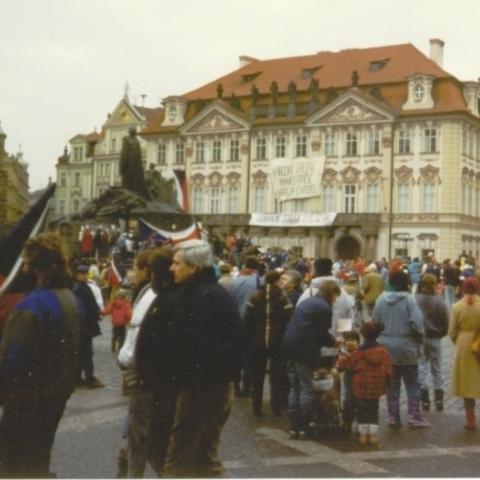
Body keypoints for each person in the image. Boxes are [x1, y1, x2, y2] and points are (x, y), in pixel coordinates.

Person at [0, 233, 83, 478]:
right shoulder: (72, 299)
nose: (23, 266)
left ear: (36, 267)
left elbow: (15, 359)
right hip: (57, 394)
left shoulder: (32, 304)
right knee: (39, 458)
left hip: (26, 397)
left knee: (17, 463)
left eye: (26, 262)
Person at [162, 239, 242, 478]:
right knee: (202, 458)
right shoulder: (206, 292)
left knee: (180, 460)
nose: (171, 268)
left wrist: (184, 384)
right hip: (209, 388)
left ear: (194, 267)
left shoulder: (203, 297)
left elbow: (203, 351)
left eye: (177, 263)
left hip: (201, 390)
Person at [282, 280, 341, 440]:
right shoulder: (324, 308)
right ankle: (304, 427)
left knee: (295, 388)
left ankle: (293, 426)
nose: (335, 300)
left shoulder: (308, 301)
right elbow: (321, 334)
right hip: (304, 349)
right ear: (332, 293)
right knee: (307, 388)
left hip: (289, 344)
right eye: (336, 296)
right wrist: (333, 342)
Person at [118, 249, 158, 477]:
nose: (131, 274)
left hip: (141, 374)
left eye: (134, 269)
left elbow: (135, 335)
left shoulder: (148, 293)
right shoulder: (144, 291)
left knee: (140, 432)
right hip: (143, 372)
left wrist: (123, 361)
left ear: (145, 270)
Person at [372, 270, 429, 427]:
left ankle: (393, 416)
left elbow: (374, 322)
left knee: (392, 384)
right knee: (412, 383)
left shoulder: (381, 299)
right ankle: (414, 415)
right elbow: (417, 324)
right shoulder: (410, 300)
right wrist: (419, 341)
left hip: (386, 347)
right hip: (407, 347)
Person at [243, 270, 293, 416]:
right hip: (277, 341)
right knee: (276, 375)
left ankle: (256, 407)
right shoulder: (283, 298)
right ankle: (275, 407)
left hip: (257, 342)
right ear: (277, 281)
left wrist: (248, 338)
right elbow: (289, 319)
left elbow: (247, 319)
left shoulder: (255, 296)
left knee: (257, 375)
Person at [337, 322, 392, 445]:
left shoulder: (359, 353)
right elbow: (388, 370)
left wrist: (340, 363)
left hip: (361, 386)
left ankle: (363, 435)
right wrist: (387, 383)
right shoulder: (383, 351)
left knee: (362, 410)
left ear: (363, 335)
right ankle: (372, 435)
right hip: (376, 387)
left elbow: (346, 364)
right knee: (374, 409)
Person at [448, 277, 480, 430]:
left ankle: (470, 419)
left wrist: (459, 341)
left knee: (467, 382)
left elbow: (452, 331)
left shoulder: (456, 306)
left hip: (464, 344)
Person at [229, 255, 263, 397]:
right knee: (251, 355)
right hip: (253, 322)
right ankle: (247, 386)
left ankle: (236, 385)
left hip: (237, 321)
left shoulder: (235, 281)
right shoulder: (260, 281)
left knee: (237, 353)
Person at [415, 274, 449, 412]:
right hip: (435, 338)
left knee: (422, 368)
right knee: (437, 369)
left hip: (421, 338)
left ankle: (425, 400)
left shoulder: (416, 301)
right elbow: (446, 324)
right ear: (435, 286)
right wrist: (440, 334)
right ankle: (439, 398)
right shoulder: (440, 303)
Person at [297, 257, 354, 335]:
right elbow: (349, 319)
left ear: (315, 271)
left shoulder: (307, 294)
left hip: (314, 342)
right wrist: (339, 335)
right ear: (331, 271)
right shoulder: (342, 293)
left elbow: (299, 321)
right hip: (337, 342)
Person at [72, 264, 105, 389]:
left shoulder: (84, 286)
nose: (85, 276)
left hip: (86, 325)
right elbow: (87, 307)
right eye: (82, 274)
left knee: (83, 352)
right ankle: (89, 379)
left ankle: (78, 378)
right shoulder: (79, 289)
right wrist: (97, 314)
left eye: (86, 273)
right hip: (85, 325)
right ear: (77, 275)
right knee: (86, 352)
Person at [335, 330, 360, 434]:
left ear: (358, 342)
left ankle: (360, 424)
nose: (350, 343)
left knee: (360, 403)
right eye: (347, 340)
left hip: (360, 380)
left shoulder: (360, 353)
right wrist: (337, 367)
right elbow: (339, 367)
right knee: (348, 401)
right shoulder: (343, 353)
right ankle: (347, 422)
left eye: (353, 340)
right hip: (349, 380)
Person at [120, 126, 151, 199]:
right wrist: (124, 162)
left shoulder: (136, 140)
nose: (134, 132)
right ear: (130, 132)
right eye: (133, 131)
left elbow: (139, 153)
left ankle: (134, 192)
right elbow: (124, 151)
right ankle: (128, 192)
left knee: (136, 178)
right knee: (128, 177)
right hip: (129, 161)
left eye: (134, 131)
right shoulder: (127, 139)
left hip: (136, 162)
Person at [102, 288, 132, 353]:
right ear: (124, 296)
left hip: (115, 323)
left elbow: (108, 310)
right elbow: (128, 314)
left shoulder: (114, 303)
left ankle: (113, 347)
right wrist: (130, 319)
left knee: (114, 335)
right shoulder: (127, 304)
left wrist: (102, 313)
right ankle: (120, 348)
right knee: (122, 336)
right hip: (123, 324)